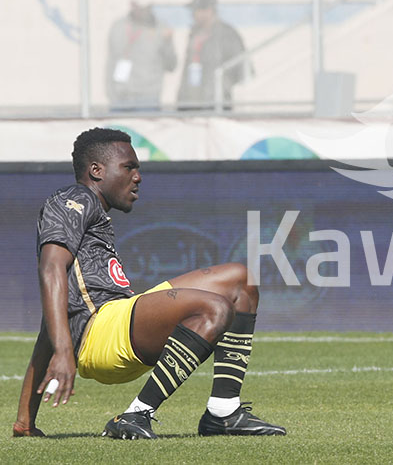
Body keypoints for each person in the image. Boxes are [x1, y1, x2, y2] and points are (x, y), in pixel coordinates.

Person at [12, 128, 285, 439]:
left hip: (121, 320)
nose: (138, 176)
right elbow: (50, 270)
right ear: (96, 171)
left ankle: (223, 411)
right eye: (129, 167)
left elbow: (52, 319)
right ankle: (136, 414)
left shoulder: (93, 214)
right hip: (101, 335)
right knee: (214, 308)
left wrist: (25, 422)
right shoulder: (74, 199)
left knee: (241, 280)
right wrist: (63, 351)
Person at [105, 0, 177, 112]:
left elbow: (171, 66)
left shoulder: (161, 29)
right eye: (140, 7)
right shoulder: (119, 27)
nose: (144, 11)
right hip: (121, 97)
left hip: (148, 98)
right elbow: (111, 61)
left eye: (147, 7)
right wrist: (112, 93)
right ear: (132, 5)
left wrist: (168, 44)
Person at [176, 0, 247, 111]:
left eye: (196, 10)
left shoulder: (227, 34)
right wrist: (181, 99)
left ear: (208, 11)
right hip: (191, 102)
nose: (193, 15)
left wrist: (222, 88)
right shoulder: (194, 33)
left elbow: (241, 68)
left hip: (216, 103)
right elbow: (187, 70)